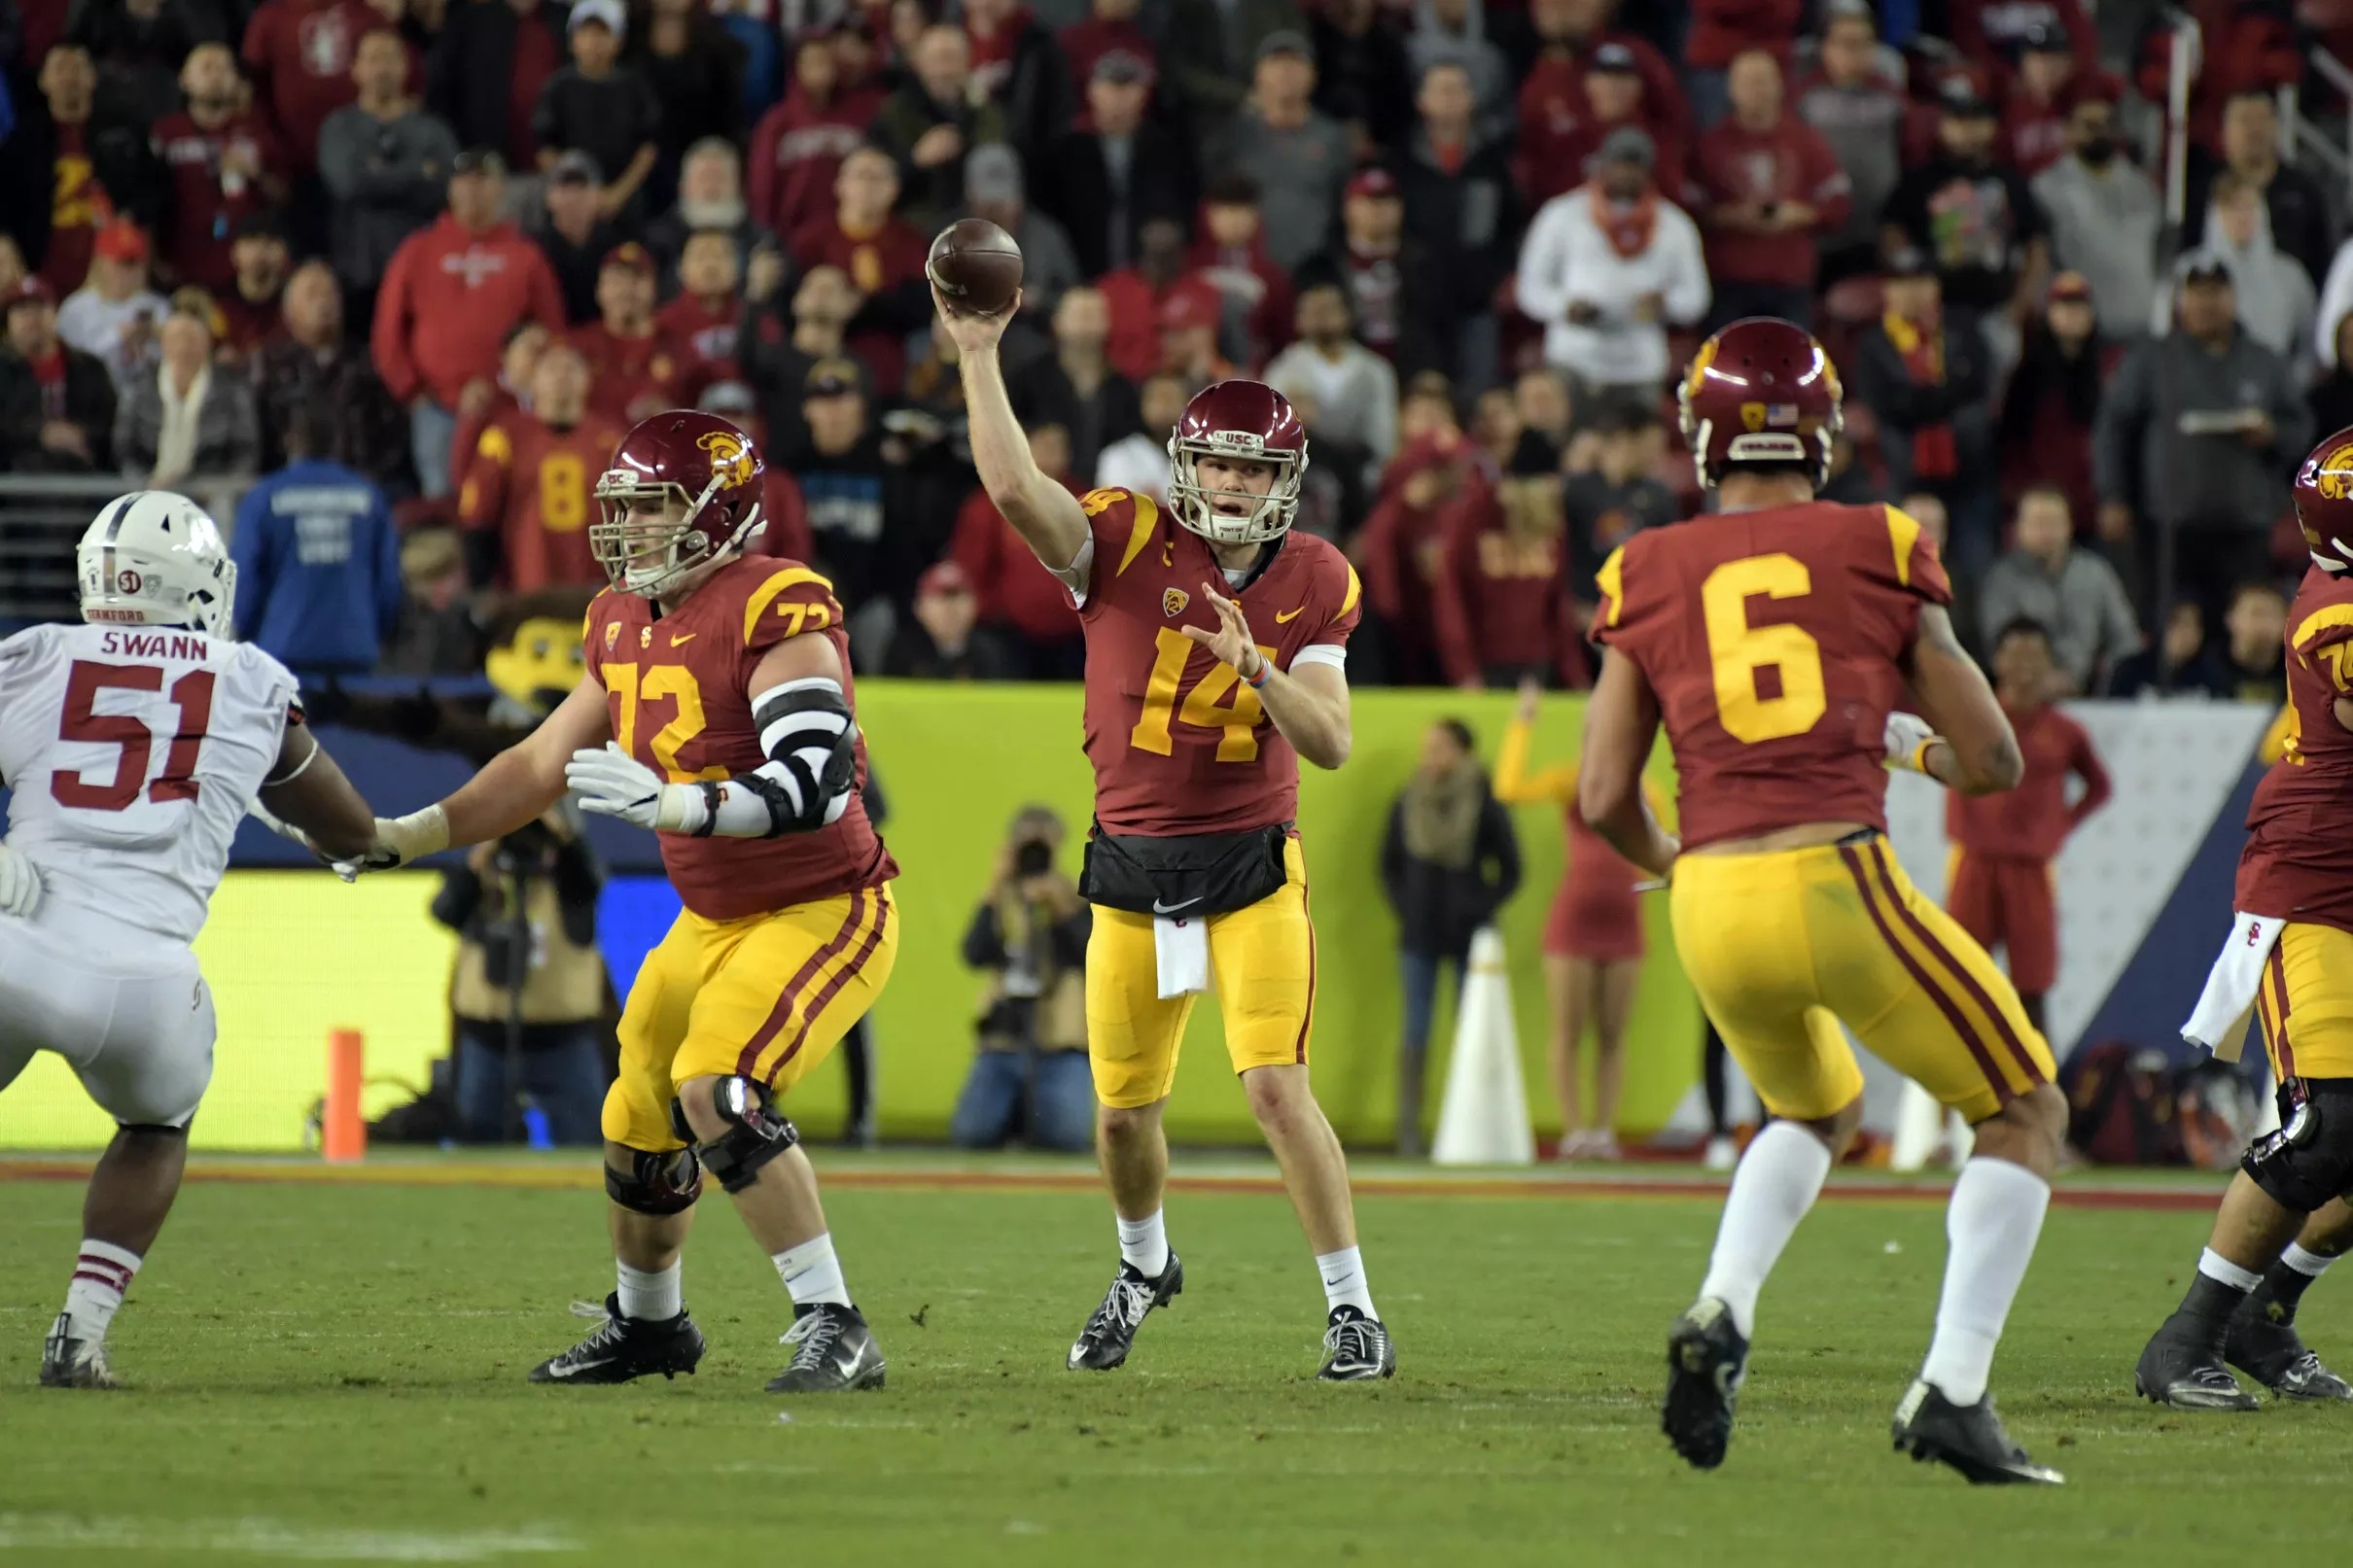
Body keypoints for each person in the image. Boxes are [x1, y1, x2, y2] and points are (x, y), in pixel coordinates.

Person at [1579, 317, 2066, 1483]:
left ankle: (1722, 1305)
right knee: (2024, 1111)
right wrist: (1900, 740)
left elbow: (1603, 795)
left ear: (1700, 435)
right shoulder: (1879, 541)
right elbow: (1994, 758)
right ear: (1824, 432)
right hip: (1832, 871)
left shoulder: (1640, 565)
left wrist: (1673, 858)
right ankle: (1952, 1385)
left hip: (1709, 896)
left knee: (1813, 1109)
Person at [337, 410, 899, 1393]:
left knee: (715, 1088)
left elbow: (817, 782)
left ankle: (835, 1322)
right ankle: (649, 1325)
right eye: (626, 506)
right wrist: (408, 833)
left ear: (718, 512)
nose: (630, 526)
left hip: (823, 902)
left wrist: (677, 801)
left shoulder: (777, 599)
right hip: (713, 917)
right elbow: (534, 765)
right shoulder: (614, 617)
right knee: (635, 1103)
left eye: (653, 506)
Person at [943, 280, 1397, 1380]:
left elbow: (1330, 740)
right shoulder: (1120, 535)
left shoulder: (1315, 575)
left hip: (1249, 865)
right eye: (1218, 463)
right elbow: (1010, 486)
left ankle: (1352, 1308)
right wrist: (975, 350)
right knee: (1117, 1117)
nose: (1232, 484)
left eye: (1252, 467)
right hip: (1131, 868)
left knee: (1272, 1087)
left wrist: (1257, 668)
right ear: (1182, 467)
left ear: (1285, 480)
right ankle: (1143, 1265)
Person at [11, 490, 378, 1387]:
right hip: (150, 982)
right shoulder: (252, 678)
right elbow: (350, 827)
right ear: (203, 585)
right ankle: (80, 1335)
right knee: (155, 1122)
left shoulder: (37, 656)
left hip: (21, 943)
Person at [2143, 431, 2353, 1410]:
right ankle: (2185, 1336)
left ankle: (2264, 1321)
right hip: (2317, 884)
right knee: (2328, 1125)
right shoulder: (2336, 618)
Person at [2093, 259, 2308, 623]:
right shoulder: (2153, 358)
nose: (2207, 305)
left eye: (2216, 294)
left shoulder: (2263, 360)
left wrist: (2272, 433)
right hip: (2170, 524)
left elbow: (2300, 427)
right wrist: (2113, 494)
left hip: (2245, 525)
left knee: (2243, 624)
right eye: (2198, 294)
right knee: (2175, 626)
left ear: (2233, 299)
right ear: (2181, 302)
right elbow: (2115, 426)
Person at [1493, 679, 1647, 1158]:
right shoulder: (1571, 779)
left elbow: (1657, 846)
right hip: (1575, 919)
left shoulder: (1644, 790)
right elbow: (1509, 787)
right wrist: (1523, 722)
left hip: (1624, 921)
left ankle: (1604, 1129)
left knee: (1612, 1033)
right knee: (1569, 1028)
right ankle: (1576, 1128)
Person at [1944, 619, 2111, 1033]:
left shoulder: (2065, 732)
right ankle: (1951, 1095)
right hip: (1975, 861)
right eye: (2015, 656)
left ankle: (2041, 1088)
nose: (2025, 667)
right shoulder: (1970, 716)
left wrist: (2059, 826)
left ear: (2049, 664)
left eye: (2034, 657)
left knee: (2032, 988)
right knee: (1960, 982)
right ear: (1997, 660)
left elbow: (2099, 786)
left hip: (2031, 870)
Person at [373, 151, 567, 501]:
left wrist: (523, 389)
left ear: (501, 189)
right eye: (464, 179)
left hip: (508, 408)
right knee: (444, 505)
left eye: (483, 179)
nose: (473, 189)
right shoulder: (418, 250)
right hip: (437, 409)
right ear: (450, 188)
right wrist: (413, 393)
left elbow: (551, 333)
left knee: (515, 501)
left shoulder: (526, 255)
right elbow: (388, 332)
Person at [1379, 716, 1521, 1157]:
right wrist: (1407, 907)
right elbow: (1388, 865)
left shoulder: (1484, 801)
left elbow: (1512, 870)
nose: (1431, 755)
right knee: (1415, 1031)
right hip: (1418, 934)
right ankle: (1409, 1132)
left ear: (1463, 752)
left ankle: (1467, 1133)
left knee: (1471, 1034)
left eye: (1440, 747)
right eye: (1429, 746)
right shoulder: (1409, 799)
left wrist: (1477, 906)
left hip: (1469, 938)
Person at [431, 806, 609, 1147]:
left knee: (587, 1148)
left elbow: (590, 878)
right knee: (477, 1151)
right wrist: (487, 843)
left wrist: (561, 833)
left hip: (565, 1044)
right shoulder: (484, 880)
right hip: (486, 1043)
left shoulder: (571, 887)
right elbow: (444, 910)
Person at [1514, 126, 1708, 425]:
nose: (1627, 173)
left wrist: (1664, 304)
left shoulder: (1674, 225)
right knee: (1573, 456)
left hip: (1639, 365)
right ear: (1602, 165)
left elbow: (1696, 297)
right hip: (1573, 361)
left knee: (1632, 461)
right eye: (1620, 164)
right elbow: (1530, 287)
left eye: (1636, 166)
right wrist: (1565, 307)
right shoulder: (1562, 214)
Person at [952, 806, 1097, 1153]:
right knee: (972, 1134)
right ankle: (1011, 1113)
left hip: (1061, 1044)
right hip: (1003, 1040)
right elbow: (973, 953)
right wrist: (995, 886)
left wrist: (1060, 908)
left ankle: (1027, 1114)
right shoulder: (1001, 900)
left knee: (1066, 1137)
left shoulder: (1075, 898)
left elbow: (1090, 956)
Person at [1852, 250, 1998, 579]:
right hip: (1903, 479)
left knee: (1977, 569)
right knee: (1902, 575)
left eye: (1920, 281)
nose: (1911, 292)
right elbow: (1887, 406)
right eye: (1901, 283)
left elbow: (1978, 387)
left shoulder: (1963, 328)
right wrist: (1946, 391)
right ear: (1886, 291)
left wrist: (1919, 400)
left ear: (1936, 287)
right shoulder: (1872, 344)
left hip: (1969, 475)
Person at [230, 404, 403, 679]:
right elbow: (389, 583)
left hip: (282, 652)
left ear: (290, 440)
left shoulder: (263, 498)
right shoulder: (369, 498)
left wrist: (252, 636)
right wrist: (374, 632)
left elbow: (244, 580)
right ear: (338, 439)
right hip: (355, 649)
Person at [1691, 48, 1850, 330]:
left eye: (1763, 80)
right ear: (1731, 88)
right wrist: (1730, 216)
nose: (1756, 90)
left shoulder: (1806, 141)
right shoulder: (1709, 145)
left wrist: (1801, 214)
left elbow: (1838, 203)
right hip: (1729, 282)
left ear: (1780, 85)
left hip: (1790, 282)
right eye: (1747, 82)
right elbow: (1690, 207)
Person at [454, 341, 626, 592]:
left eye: (570, 368)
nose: (561, 376)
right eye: (551, 369)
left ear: (587, 379)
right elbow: (478, 517)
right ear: (532, 381)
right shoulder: (504, 436)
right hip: (524, 591)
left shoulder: (613, 440)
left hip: (598, 590)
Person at [318, 28, 460, 331]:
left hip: (423, 271)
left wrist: (376, 173)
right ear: (355, 69)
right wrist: (419, 171)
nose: (382, 68)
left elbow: (446, 190)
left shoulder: (433, 130)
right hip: (357, 271)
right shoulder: (338, 127)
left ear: (406, 67)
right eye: (373, 59)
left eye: (391, 59)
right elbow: (348, 183)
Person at [1036, 51, 1192, 282]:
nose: (1119, 97)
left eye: (1128, 87)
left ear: (1143, 93)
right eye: (1110, 87)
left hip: (1149, 282)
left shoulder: (1167, 152)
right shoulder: (1066, 152)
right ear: (1092, 91)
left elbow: (1180, 213)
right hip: (1081, 275)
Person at [150, 42, 286, 297]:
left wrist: (256, 174)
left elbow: (283, 196)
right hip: (181, 268)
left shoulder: (256, 131)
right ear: (184, 79)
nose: (216, 75)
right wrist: (155, 259)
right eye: (207, 68)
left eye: (224, 68)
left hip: (244, 275)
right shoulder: (166, 133)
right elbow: (147, 204)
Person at [1209, 33, 1352, 274]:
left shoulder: (1332, 138)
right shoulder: (1233, 136)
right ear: (1258, 74)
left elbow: (1345, 210)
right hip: (1248, 273)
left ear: (1313, 75)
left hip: (1312, 273)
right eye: (1276, 62)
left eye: (1296, 62)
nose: (1286, 71)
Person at [1975, 487, 2141, 696]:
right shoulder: (2001, 579)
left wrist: (2105, 678)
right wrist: (2040, 678)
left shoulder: (2096, 573)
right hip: (2024, 699)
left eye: (2053, 523)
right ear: (2019, 529)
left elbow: (2126, 641)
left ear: (2069, 526)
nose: (2046, 532)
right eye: (2038, 523)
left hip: (2094, 694)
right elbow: (1997, 649)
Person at [2028, 86, 2158, 347]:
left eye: (2106, 124)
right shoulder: (2047, 187)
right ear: (2068, 130)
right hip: (2081, 329)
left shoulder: (2143, 186)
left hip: (2142, 322)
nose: (2099, 132)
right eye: (2089, 124)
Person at [747, 27, 886, 248]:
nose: (820, 69)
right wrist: (766, 233)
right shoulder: (777, 121)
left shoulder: (862, 113)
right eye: (812, 62)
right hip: (792, 236)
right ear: (797, 68)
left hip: (850, 235)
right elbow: (763, 183)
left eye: (825, 61)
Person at [531, 0, 662, 228]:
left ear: (618, 41)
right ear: (573, 41)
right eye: (586, 34)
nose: (594, 43)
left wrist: (617, 194)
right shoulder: (557, 87)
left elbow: (648, 147)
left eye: (603, 34)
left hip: (623, 199)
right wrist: (576, 194)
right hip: (569, 200)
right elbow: (545, 148)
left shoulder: (634, 86)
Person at [867, 24, 1008, 236]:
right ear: (919, 64)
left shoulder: (987, 113)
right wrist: (916, 160)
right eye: (935, 59)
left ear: (968, 61)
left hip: (975, 224)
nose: (943, 69)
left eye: (951, 57)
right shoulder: (894, 112)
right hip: (913, 225)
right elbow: (875, 178)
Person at [115, 296, 260, 485]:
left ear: (207, 343)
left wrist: (214, 490)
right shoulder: (137, 388)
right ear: (164, 343)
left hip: (214, 495)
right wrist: (145, 484)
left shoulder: (234, 390)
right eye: (177, 338)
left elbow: (245, 454)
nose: (184, 347)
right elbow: (124, 449)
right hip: (149, 488)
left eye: (191, 339)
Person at [1263, 282, 1399, 472]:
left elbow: (1383, 441)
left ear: (1347, 314)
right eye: (1312, 310)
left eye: (1328, 308)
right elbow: (1272, 440)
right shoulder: (1283, 370)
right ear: (1298, 320)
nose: (1321, 316)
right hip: (1304, 475)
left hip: (1360, 475)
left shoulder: (1375, 371)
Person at [0, 277, 118, 473]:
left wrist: (80, 435)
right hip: (14, 483)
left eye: (39, 308)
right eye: (21, 310)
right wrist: (41, 435)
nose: (32, 318)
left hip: (84, 475)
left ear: (55, 314)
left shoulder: (89, 368)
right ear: (8, 322)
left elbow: (109, 422)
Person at [57, 220, 169, 395]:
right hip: (93, 398)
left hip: (146, 401)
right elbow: (70, 365)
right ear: (101, 263)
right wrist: (118, 337)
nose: (126, 272)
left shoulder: (159, 307)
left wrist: (160, 334)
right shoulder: (75, 309)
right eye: (120, 263)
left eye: (133, 264)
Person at [881, 559, 1020, 679]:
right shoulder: (902, 652)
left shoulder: (992, 653)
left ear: (975, 605)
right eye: (939, 600)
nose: (950, 609)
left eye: (957, 598)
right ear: (919, 608)